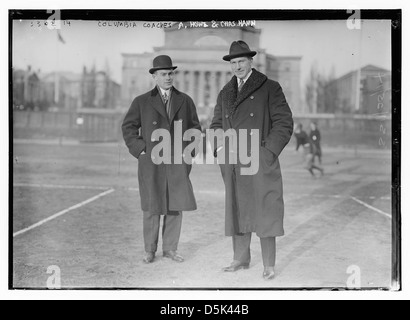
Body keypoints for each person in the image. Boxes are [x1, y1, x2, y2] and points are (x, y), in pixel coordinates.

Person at [210, 40, 294, 280]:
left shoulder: (270, 87)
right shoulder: (225, 92)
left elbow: (284, 122)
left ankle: (268, 264)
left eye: (241, 62)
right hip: (233, 161)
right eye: (233, 63)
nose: (237, 66)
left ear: (250, 61)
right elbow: (216, 124)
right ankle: (240, 258)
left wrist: (267, 152)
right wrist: (219, 150)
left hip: (259, 159)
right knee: (238, 208)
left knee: (266, 209)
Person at [122, 55, 200, 264]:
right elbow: (128, 128)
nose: (168, 77)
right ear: (154, 77)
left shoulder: (185, 100)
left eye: (170, 73)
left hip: (177, 161)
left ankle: (170, 249)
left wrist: (189, 153)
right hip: (152, 162)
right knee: (152, 205)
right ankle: (150, 250)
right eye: (163, 74)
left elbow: (195, 128)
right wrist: (141, 150)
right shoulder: (141, 101)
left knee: (176, 205)